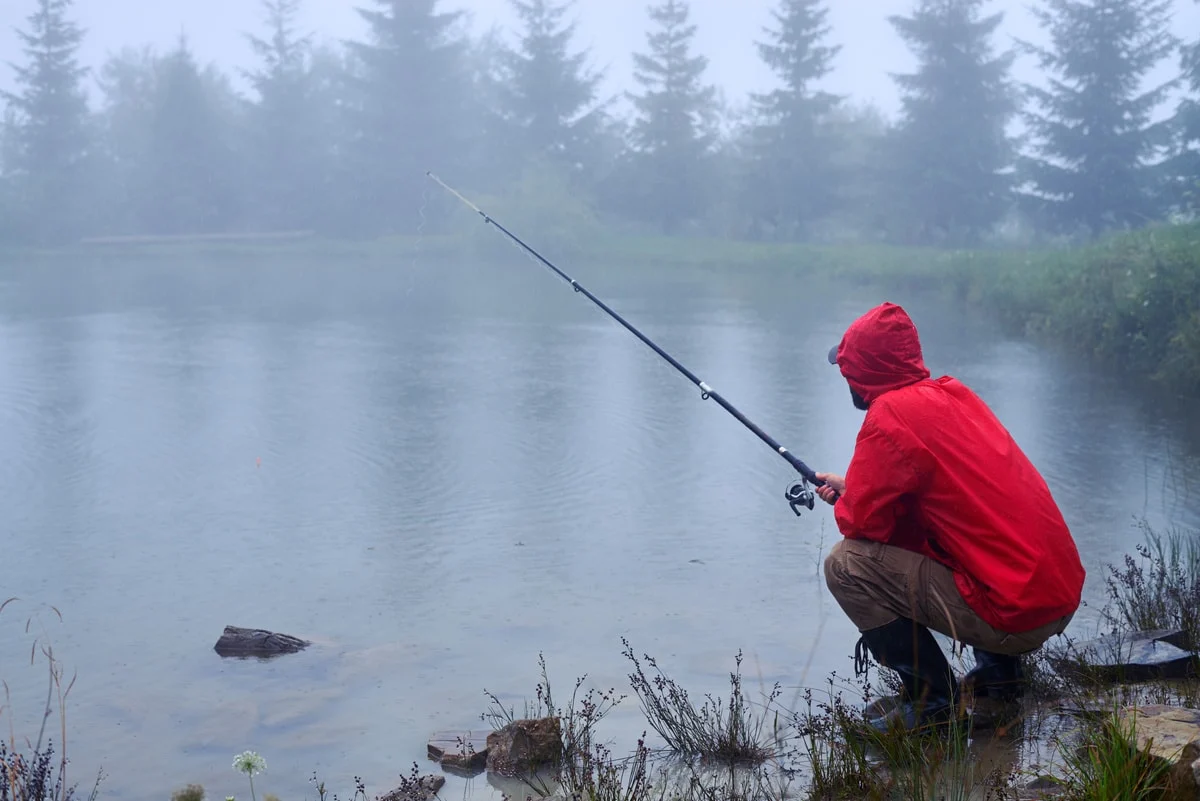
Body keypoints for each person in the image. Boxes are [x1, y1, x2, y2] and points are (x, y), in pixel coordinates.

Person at [815, 301, 1085, 734]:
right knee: (966, 537)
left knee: (845, 565)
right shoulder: (952, 396)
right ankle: (1000, 678)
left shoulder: (888, 418)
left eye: (847, 368)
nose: (844, 376)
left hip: (1015, 617)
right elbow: (938, 502)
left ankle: (932, 705)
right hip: (1055, 597)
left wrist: (849, 500)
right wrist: (856, 488)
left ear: (862, 371)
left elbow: (861, 526)